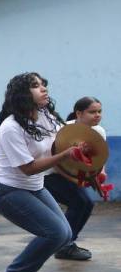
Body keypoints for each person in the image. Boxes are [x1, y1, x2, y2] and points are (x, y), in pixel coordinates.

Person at [0, 72, 78, 272]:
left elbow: (64, 140)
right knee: (55, 232)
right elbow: (28, 168)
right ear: (22, 94)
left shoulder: (45, 117)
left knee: (65, 234)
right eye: (36, 86)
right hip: (8, 190)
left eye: (43, 84)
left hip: (34, 186)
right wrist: (66, 155)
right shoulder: (11, 128)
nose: (43, 89)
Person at [42, 96, 105, 260]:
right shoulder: (63, 129)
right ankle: (64, 245)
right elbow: (56, 161)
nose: (97, 115)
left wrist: (99, 174)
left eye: (99, 111)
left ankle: (66, 243)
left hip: (71, 175)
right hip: (50, 174)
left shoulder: (99, 131)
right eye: (92, 112)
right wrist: (77, 181)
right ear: (79, 113)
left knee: (85, 203)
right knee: (80, 202)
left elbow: (99, 158)